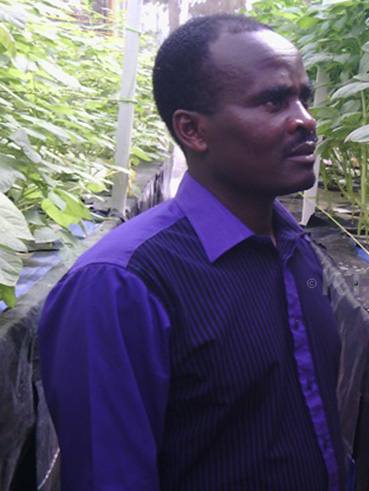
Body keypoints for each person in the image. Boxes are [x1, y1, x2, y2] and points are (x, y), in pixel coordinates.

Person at [38, 14, 346, 490]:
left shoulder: (294, 249)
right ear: (193, 131)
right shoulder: (120, 286)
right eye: (272, 101)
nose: (306, 120)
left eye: (304, 98)